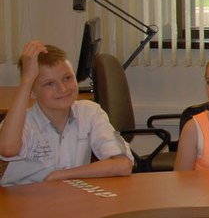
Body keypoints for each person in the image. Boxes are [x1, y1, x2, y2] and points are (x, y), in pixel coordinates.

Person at [0, 41, 133, 186]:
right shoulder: (23, 122)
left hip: (66, 193)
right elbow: (7, 149)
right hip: (22, 196)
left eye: (67, 78)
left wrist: (62, 175)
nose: (63, 89)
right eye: (49, 83)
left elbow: (123, 164)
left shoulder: (89, 112)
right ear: (32, 92)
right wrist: (26, 80)